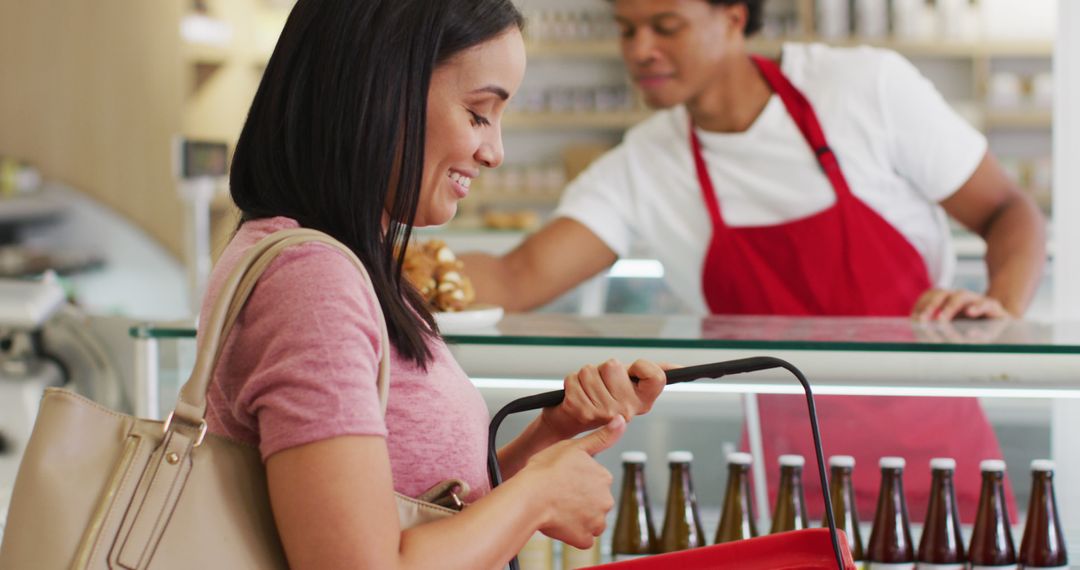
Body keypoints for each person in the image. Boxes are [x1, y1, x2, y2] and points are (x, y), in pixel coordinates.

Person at [462, 0, 1045, 521]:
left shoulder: (864, 87)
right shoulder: (646, 163)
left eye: (666, 26)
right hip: (792, 471)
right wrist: (380, 259)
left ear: (734, 17)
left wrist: (1000, 307)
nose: (640, 50)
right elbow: (516, 277)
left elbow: (1008, 210)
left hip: (940, 459)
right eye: (625, 29)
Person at [199, 1, 668, 568]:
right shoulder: (310, 282)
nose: (494, 152)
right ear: (378, 88)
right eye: (478, 114)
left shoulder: (342, 266)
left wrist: (551, 433)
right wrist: (538, 495)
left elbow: (422, 509)